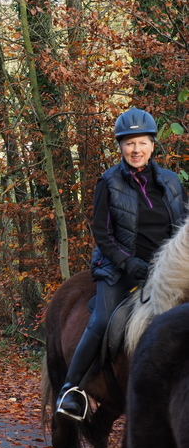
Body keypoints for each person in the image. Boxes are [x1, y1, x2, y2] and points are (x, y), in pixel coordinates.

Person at [55, 107, 188, 421]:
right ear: (121, 147)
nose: (136, 149)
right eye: (129, 143)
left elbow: (182, 229)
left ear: (153, 145)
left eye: (142, 142)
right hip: (118, 269)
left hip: (164, 273)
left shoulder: (171, 183)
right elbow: (102, 232)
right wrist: (128, 264)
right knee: (102, 321)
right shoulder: (109, 182)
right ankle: (71, 390)